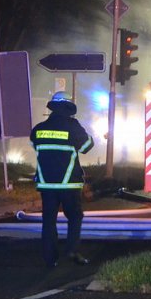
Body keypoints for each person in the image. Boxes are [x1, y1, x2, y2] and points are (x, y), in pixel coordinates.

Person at [30, 91, 95, 268]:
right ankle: (72, 250)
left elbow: (35, 146)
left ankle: (50, 258)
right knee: (74, 217)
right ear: (68, 108)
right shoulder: (73, 126)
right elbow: (87, 146)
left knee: (48, 220)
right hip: (69, 184)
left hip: (46, 184)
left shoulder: (39, 129)